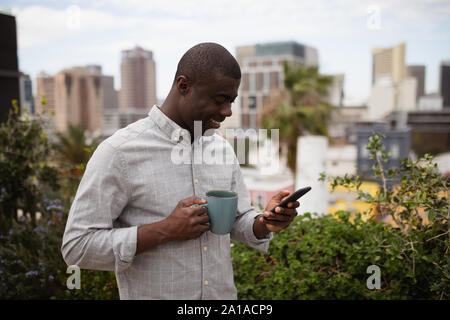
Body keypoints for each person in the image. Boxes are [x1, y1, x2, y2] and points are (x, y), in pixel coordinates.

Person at [61, 42, 299, 300]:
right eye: (220, 100)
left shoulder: (222, 149)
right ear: (183, 86)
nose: (228, 111)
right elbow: (77, 247)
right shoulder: (119, 152)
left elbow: (238, 221)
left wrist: (265, 222)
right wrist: (166, 229)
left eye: (231, 101)